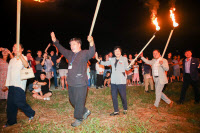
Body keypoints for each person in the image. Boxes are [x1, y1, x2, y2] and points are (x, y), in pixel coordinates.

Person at [50, 32, 95, 127]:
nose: (71, 46)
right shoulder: (70, 54)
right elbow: (62, 49)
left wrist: (91, 42)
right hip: (70, 82)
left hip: (80, 82)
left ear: (79, 44)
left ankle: (79, 118)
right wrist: (55, 41)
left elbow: (92, 52)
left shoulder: (84, 53)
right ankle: (85, 111)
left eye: (74, 44)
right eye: (70, 44)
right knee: (72, 100)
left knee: (79, 101)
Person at [4, 44, 35, 128]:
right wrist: (6, 84)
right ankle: (11, 121)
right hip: (11, 84)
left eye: (17, 47)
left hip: (19, 84)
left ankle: (31, 113)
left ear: (22, 49)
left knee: (19, 102)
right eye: (13, 47)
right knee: (10, 104)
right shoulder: (11, 60)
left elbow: (26, 65)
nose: (15, 48)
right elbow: (9, 73)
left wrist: (20, 56)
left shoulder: (23, 57)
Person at [96, 46, 130, 116]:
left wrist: (130, 66)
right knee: (114, 96)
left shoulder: (124, 59)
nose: (117, 52)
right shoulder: (112, 59)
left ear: (120, 52)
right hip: (113, 81)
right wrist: (98, 59)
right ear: (114, 52)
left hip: (121, 81)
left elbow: (127, 68)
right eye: (115, 51)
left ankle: (125, 108)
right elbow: (105, 63)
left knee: (123, 96)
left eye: (118, 51)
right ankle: (116, 111)